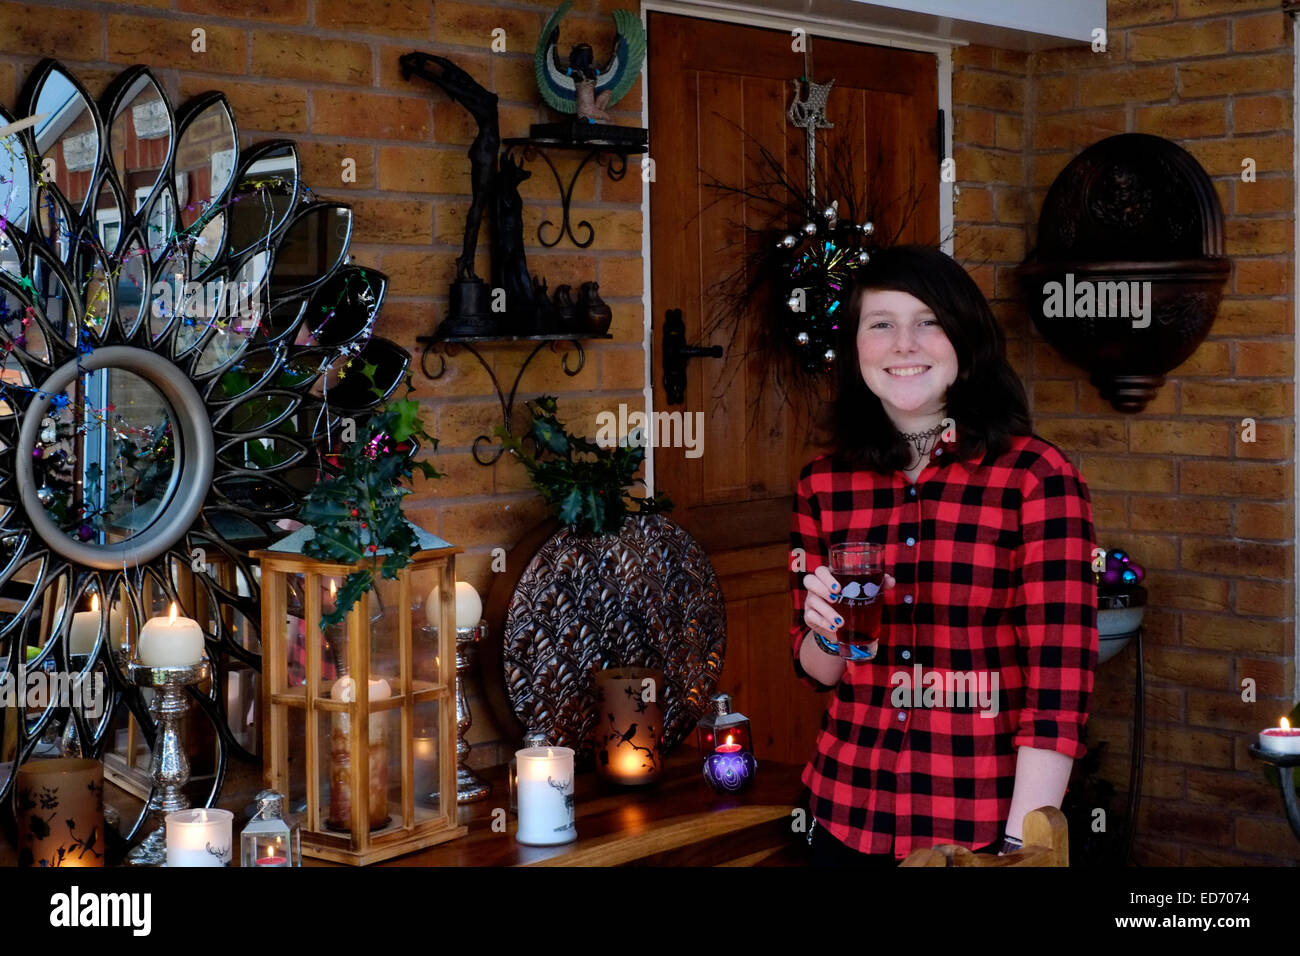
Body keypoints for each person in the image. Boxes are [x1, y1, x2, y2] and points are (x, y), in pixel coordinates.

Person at [789, 244, 1098, 866]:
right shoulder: (823, 482)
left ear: (965, 339)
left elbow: (1058, 690)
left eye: (928, 321)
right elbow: (818, 671)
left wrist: (1020, 850)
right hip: (844, 811)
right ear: (856, 348)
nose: (904, 344)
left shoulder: (1036, 477)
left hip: (978, 824)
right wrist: (825, 633)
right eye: (881, 324)